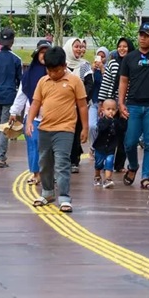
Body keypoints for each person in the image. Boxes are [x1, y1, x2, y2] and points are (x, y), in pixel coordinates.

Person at [26, 46, 89, 213]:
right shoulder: (43, 81)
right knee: (44, 163)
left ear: (64, 66)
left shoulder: (75, 81)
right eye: (49, 70)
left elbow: (82, 106)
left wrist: (85, 128)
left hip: (65, 129)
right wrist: (29, 121)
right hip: (45, 128)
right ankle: (47, 193)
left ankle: (64, 197)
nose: (53, 74)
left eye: (57, 70)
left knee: (62, 163)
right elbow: (35, 103)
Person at [118, 22, 149, 190]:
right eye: (141, 34)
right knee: (129, 142)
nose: (142, 38)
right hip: (133, 105)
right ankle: (133, 166)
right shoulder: (129, 58)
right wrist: (121, 103)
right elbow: (123, 81)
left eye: (147, 35)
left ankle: (146, 177)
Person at [11, 39, 52, 185]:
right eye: (41, 52)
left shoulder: (58, 72)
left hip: (52, 117)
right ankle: (36, 173)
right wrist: (14, 112)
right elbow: (22, 93)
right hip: (33, 116)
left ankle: (48, 172)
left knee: (48, 147)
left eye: (47, 52)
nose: (44, 55)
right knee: (34, 143)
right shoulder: (29, 74)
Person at [0, 28, 22, 168]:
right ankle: (1, 156)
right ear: (12, 41)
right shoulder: (16, 59)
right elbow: (20, 82)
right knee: (6, 125)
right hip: (9, 95)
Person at [100, 37, 133, 171]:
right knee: (109, 134)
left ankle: (119, 164)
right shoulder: (112, 63)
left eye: (125, 46)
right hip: (112, 104)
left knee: (123, 135)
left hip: (128, 103)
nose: (122, 49)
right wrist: (102, 103)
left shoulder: (133, 62)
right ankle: (104, 163)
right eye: (120, 46)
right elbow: (106, 82)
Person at [64, 38, 94, 173]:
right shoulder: (62, 64)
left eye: (80, 47)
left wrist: (81, 99)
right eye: (76, 46)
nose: (79, 49)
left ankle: (74, 161)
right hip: (64, 106)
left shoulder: (84, 65)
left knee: (76, 132)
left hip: (79, 106)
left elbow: (89, 84)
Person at [92, 99, 126, 189]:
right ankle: (97, 176)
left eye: (113, 109)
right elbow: (101, 128)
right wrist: (109, 121)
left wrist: (122, 120)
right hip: (100, 146)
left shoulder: (116, 121)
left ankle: (108, 179)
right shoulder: (101, 120)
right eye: (108, 109)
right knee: (98, 163)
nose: (111, 111)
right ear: (103, 110)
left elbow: (121, 129)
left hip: (111, 147)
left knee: (109, 162)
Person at [88, 46, 109, 147]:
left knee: (102, 127)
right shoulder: (92, 69)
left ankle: (101, 147)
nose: (100, 59)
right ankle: (93, 147)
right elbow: (89, 83)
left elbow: (107, 82)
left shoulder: (108, 69)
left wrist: (102, 69)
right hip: (94, 102)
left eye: (103, 57)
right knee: (92, 126)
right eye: (98, 56)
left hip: (105, 103)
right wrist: (92, 70)